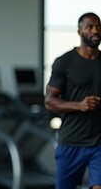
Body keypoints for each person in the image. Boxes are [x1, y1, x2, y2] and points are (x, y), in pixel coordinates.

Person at [45, 12, 101, 189]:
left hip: (99, 142)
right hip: (71, 142)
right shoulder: (64, 62)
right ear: (79, 32)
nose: (95, 30)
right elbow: (49, 101)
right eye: (89, 27)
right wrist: (79, 105)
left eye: (98, 26)